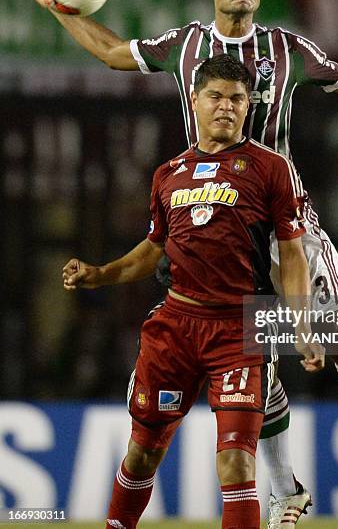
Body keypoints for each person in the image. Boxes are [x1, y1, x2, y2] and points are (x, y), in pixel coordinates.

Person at [9, 0, 338, 525]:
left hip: (280, 214)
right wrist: (55, 4)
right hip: (216, 217)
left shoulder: (285, 49)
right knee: (253, 358)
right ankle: (284, 488)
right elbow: (113, 52)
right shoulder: (186, 47)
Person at [62, 55, 324, 529]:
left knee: (237, 463)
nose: (226, 107)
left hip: (240, 331)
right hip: (175, 330)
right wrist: (102, 274)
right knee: (141, 454)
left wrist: (301, 323)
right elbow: (153, 249)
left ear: (249, 107)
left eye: (237, 99)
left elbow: (292, 254)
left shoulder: (271, 169)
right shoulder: (169, 173)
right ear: (195, 101)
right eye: (216, 97)